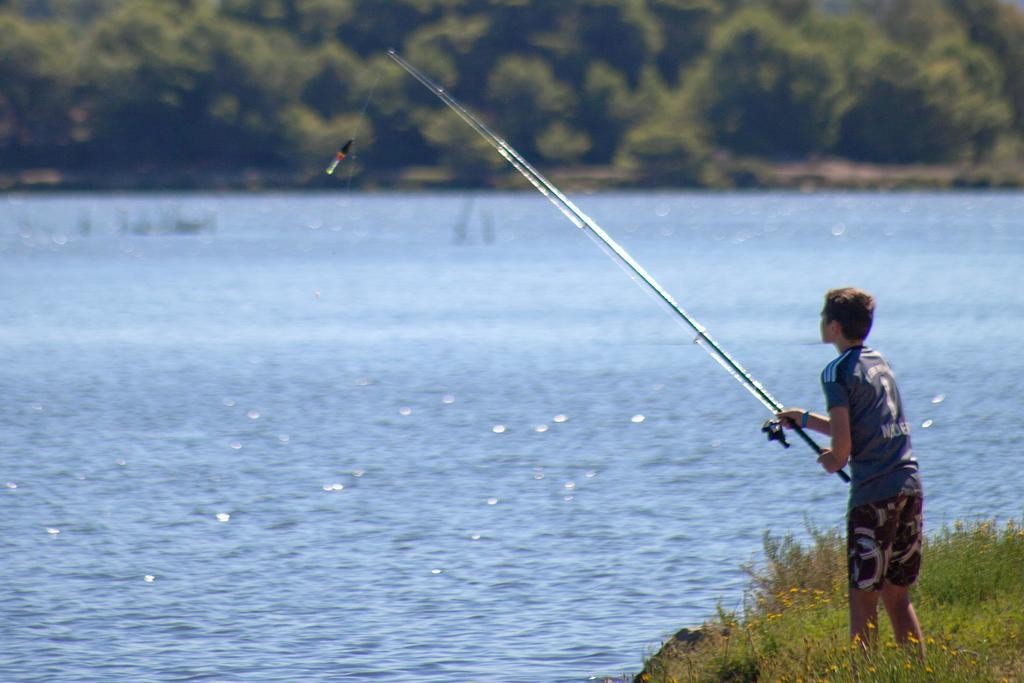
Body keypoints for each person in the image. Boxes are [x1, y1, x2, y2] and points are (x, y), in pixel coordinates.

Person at [777, 287, 924, 655]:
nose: (820, 323)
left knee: (863, 601)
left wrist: (831, 460)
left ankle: (866, 677)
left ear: (835, 326)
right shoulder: (879, 361)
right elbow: (863, 426)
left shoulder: (836, 372)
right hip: (909, 486)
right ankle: (921, 673)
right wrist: (806, 420)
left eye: (822, 317)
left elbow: (842, 451)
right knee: (897, 596)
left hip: (874, 495)